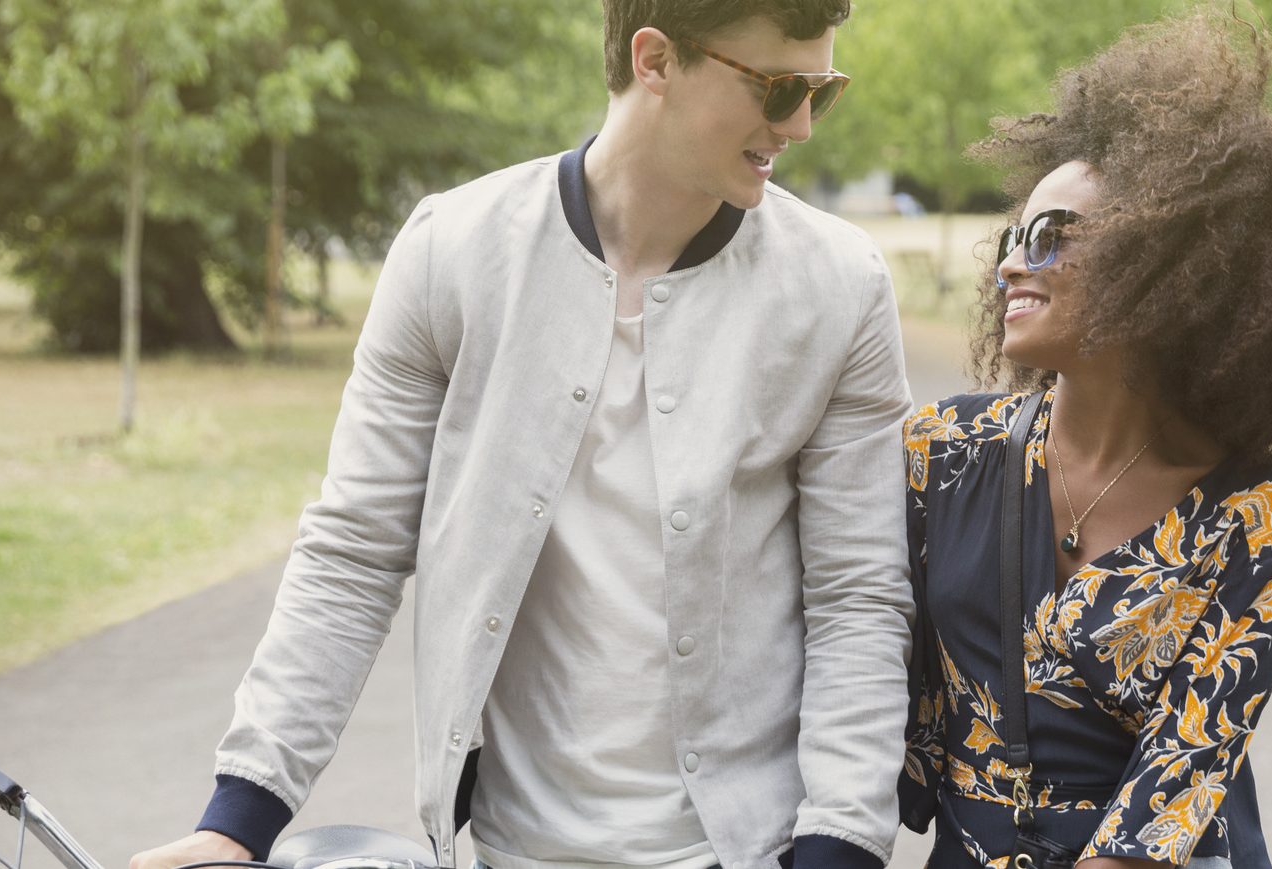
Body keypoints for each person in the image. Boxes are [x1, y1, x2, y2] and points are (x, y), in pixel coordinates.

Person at [129, 2, 915, 868]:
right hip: (507, 845)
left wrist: (839, 846)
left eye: (822, 91)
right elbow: (354, 549)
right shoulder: (451, 250)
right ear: (654, 61)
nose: (800, 125)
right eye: (778, 88)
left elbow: (859, 599)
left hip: (747, 848)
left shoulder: (840, 286)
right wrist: (237, 816)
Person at [896, 9, 1272, 868]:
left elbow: (1176, 789)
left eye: (1053, 237)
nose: (1012, 262)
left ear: (1167, 261)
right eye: (1016, 234)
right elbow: (853, 672)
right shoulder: (942, 453)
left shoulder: (1262, 518)